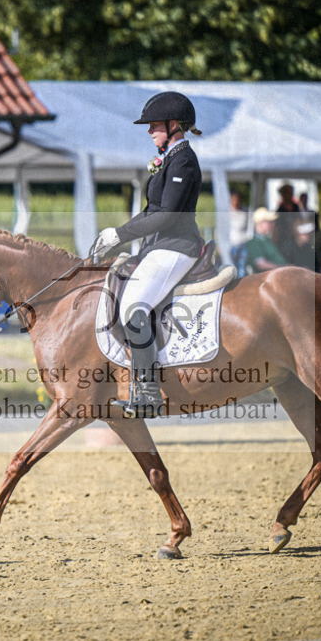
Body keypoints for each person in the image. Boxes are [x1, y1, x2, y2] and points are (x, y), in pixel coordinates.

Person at [90, 91, 204, 418]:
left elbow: (167, 215)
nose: (150, 130)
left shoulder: (183, 160)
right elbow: (151, 210)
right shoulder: (168, 159)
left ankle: (149, 392)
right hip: (159, 246)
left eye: (155, 125)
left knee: (133, 306)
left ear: (174, 125)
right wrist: (116, 234)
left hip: (178, 245)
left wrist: (121, 235)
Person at [245, 208, 288, 273]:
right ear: (260, 223)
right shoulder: (254, 242)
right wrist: (283, 268)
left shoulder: (266, 240)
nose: (273, 224)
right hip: (267, 277)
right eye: (269, 222)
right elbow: (261, 264)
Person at [228, 190, 249, 274]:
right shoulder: (226, 213)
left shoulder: (243, 213)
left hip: (242, 242)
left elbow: (244, 226)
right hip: (231, 243)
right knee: (232, 266)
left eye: (237, 199)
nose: (235, 202)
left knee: (242, 266)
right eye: (233, 199)